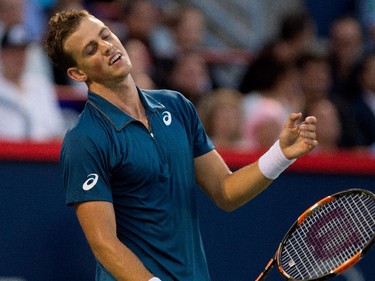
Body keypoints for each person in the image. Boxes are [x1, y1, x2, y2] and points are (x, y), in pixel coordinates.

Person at [44, 10, 318, 281]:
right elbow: (104, 242)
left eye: (105, 35)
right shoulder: (84, 139)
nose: (107, 47)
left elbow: (226, 190)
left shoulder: (176, 105)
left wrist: (280, 154)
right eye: (91, 49)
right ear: (77, 72)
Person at [0, 27, 65, 141]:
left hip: (42, 153)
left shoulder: (40, 83)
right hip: (7, 154)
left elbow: (56, 129)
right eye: (13, 51)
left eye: (22, 51)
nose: (18, 57)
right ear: (3, 54)